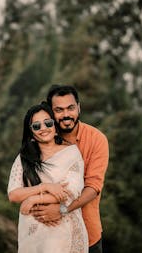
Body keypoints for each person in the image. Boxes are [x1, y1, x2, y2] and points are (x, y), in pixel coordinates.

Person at [29, 85, 109, 253]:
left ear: (78, 107)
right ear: (50, 112)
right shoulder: (40, 141)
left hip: (87, 235)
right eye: (59, 110)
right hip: (47, 235)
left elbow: (93, 187)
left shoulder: (96, 139)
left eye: (70, 108)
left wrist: (62, 210)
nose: (66, 115)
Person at [7, 101, 88, 253]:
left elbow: (71, 191)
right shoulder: (24, 158)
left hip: (62, 229)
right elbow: (13, 194)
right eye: (36, 126)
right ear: (31, 132)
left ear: (55, 127)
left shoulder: (71, 154)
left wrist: (34, 199)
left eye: (48, 123)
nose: (43, 129)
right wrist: (44, 187)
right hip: (32, 233)